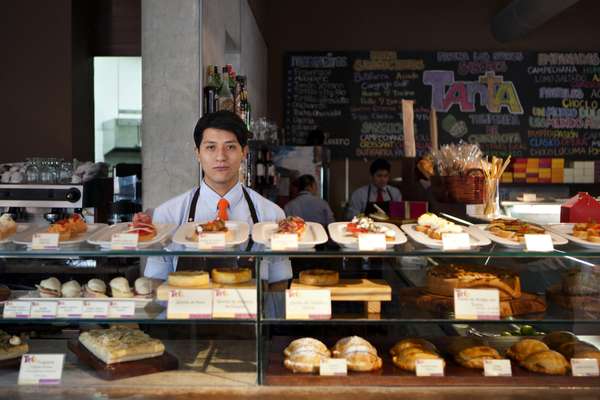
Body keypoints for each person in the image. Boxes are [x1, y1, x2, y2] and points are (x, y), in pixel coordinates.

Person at [144, 111, 291, 290]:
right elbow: (156, 283)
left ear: (244, 152)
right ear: (198, 153)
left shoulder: (272, 214)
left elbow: (279, 284)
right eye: (211, 147)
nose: (220, 156)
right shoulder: (168, 214)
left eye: (230, 147)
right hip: (189, 314)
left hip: (250, 317)